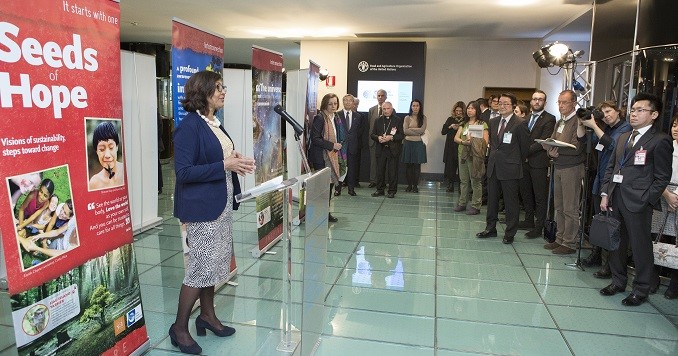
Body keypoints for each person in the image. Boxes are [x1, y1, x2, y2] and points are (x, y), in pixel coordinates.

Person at [171, 70, 255, 354]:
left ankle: (207, 316)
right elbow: (183, 172)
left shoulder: (214, 124)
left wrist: (234, 161)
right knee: (200, 268)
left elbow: (218, 158)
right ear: (203, 92)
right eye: (217, 87)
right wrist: (225, 165)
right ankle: (179, 328)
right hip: (202, 209)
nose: (223, 91)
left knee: (215, 265)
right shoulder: (189, 126)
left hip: (220, 206)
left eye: (223, 86)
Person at [599, 92, 672, 306]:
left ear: (654, 114)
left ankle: (641, 289)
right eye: (632, 110)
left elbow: (662, 177)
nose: (634, 114)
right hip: (616, 197)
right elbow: (611, 167)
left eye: (640, 110)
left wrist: (647, 199)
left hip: (638, 202)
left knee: (640, 247)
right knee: (616, 244)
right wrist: (605, 193)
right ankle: (618, 281)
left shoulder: (660, 140)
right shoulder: (623, 137)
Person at [580, 101, 631, 277]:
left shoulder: (625, 128)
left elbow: (612, 145)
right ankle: (596, 254)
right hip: (600, 179)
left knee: (611, 225)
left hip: (614, 183)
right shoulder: (606, 128)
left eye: (609, 111)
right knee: (599, 221)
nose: (606, 115)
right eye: (603, 113)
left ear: (618, 111)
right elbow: (588, 141)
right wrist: (584, 123)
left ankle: (610, 264)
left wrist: (594, 125)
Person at [477, 93, 529, 244]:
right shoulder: (493, 122)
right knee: (492, 200)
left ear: (513, 106)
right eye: (500, 103)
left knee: (511, 202)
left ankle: (510, 233)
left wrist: (514, 161)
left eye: (506, 103)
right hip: (494, 166)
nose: (502, 106)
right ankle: (490, 228)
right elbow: (493, 144)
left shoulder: (520, 123)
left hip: (510, 168)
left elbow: (524, 148)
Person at [542, 90, 586, 254]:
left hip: (572, 168)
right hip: (559, 166)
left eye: (564, 102)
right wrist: (549, 151)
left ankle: (569, 243)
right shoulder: (560, 121)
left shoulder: (578, 122)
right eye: (559, 102)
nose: (561, 105)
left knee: (570, 207)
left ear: (574, 103)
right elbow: (551, 140)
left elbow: (576, 147)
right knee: (559, 206)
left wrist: (556, 151)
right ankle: (559, 238)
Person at [519, 90, 556, 238]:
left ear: (545, 103)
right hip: (524, 163)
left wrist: (525, 152)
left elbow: (544, 141)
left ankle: (539, 226)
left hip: (538, 162)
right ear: (531, 102)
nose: (537, 102)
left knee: (540, 196)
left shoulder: (549, 119)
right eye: (534, 99)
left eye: (540, 99)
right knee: (526, 193)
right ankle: (528, 220)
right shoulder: (525, 119)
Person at [650, 113, 678, 300]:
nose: (675, 128)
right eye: (675, 124)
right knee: (656, 237)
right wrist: (667, 195)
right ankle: (652, 279)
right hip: (662, 192)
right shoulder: (666, 145)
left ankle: (674, 285)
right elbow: (654, 171)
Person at [309, 93, 342, 222]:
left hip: (330, 155)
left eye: (335, 103)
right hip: (321, 157)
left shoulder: (334, 117)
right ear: (325, 104)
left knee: (328, 187)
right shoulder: (320, 118)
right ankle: (320, 215)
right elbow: (315, 138)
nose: (333, 106)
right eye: (330, 104)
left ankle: (325, 214)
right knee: (322, 188)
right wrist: (332, 145)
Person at [454, 100, 489, 215]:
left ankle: (476, 205)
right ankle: (462, 203)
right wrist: (464, 142)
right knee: (463, 180)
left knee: (475, 180)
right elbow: (456, 138)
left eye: (472, 108)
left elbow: (485, 141)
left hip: (475, 156)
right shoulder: (464, 123)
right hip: (462, 154)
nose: (470, 110)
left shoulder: (482, 124)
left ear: (477, 110)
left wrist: (473, 141)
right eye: (468, 108)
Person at [371, 101, 404, 198]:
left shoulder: (398, 120)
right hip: (381, 149)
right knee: (380, 171)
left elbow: (402, 135)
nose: (386, 111)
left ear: (392, 109)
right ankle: (380, 190)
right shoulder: (378, 120)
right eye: (384, 109)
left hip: (392, 149)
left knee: (392, 171)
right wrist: (378, 138)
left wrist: (391, 137)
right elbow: (372, 134)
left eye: (388, 108)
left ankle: (392, 191)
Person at [336, 95, 363, 196]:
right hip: (340, 147)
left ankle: (351, 189)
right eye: (345, 100)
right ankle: (337, 188)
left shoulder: (358, 116)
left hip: (352, 146)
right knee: (339, 168)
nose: (347, 102)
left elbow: (359, 132)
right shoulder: (337, 115)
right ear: (343, 102)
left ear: (353, 103)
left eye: (350, 101)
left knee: (352, 169)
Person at [89, 121, 125, 190]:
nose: (107, 155)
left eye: (111, 148)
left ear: (117, 147)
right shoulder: (94, 183)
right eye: (102, 149)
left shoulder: (126, 172)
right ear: (96, 151)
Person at [402, 99, 427, 193]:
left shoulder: (423, 118)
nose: (415, 107)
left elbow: (422, 131)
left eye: (417, 105)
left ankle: (415, 186)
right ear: (411, 107)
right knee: (409, 166)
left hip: (419, 144)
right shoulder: (407, 118)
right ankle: (409, 186)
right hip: (408, 143)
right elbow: (405, 131)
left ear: (420, 107)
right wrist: (417, 130)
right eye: (413, 105)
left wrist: (411, 129)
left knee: (416, 166)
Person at [442, 101, 465, 192]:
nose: (458, 112)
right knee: (450, 167)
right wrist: (450, 127)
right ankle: (450, 185)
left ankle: (461, 187)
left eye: (460, 111)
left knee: (462, 168)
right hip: (451, 147)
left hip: (461, 146)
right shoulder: (450, 119)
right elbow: (443, 132)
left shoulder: (466, 120)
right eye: (456, 111)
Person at [367, 89, 387, 188]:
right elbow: (369, 125)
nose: (380, 97)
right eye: (378, 95)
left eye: (382, 95)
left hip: (385, 141)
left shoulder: (390, 109)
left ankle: (383, 181)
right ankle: (373, 181)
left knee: (384, 163)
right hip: (373, 141)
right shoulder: (371, 110)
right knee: (373, 163)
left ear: (386, 97)